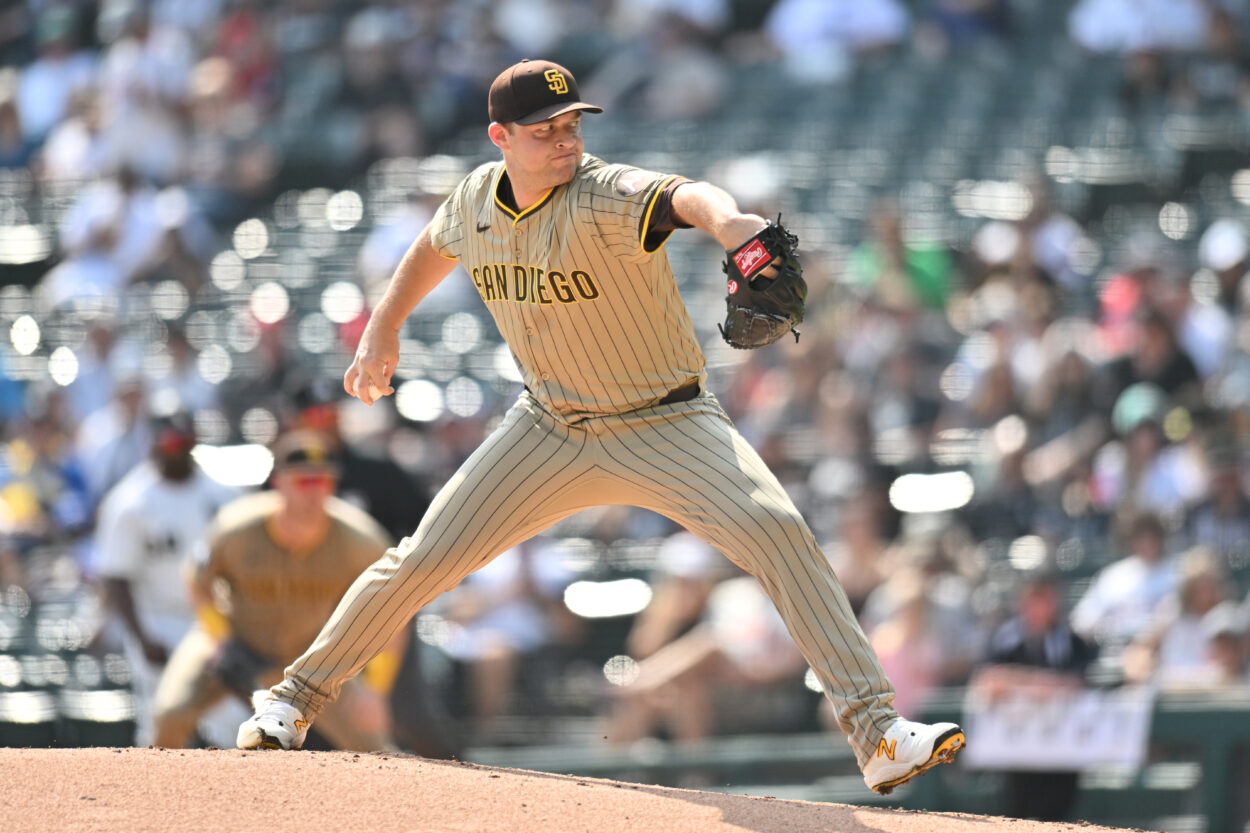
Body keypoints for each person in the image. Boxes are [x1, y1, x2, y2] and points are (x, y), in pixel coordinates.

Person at [238, 58, 964, 796]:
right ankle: (292, 702)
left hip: (668, 421)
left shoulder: (603, 194)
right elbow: (434, 243)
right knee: (422, 559)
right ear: (500, 137)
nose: (565, 141)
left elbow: (686, 196)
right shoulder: (474, 201)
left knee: (778, 530)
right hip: (548, 425)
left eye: (573, 123)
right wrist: (383, 328)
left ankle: (877, 732)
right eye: (545, 130)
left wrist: (737, 227)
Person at [153, 430, 397, 751]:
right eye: (304, 482)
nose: (315, 492)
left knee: (374, 745)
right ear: (279, 482)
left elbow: (393, 610)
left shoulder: (360, 540)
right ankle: (154, 796)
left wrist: (375, 688)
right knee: (170, 715)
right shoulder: (237, 526)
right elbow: (198, 581)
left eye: (323, 481)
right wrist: (220, 638)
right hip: (239, 643)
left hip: (313, 663)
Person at [92, 404, 239, 745]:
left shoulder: (223, 494)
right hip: (158, 618)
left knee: (230, 718)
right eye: (170, 442)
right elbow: (115, 577)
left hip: (211, 621)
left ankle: (236, 795)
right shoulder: (131, 501)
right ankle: (154, 797)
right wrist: (141, 636)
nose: (178, 448)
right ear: (154, 444)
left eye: (183, 441)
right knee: (160, 721)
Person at [970, 568, 1097, 821]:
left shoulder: (1071, 641)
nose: (1039, 606)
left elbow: (1078, 684)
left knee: (1060, 815)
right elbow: (987, 681)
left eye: (1046, 597)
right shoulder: (1004, 639)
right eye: (1033, 597)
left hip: (1061, 749)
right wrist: (1043, 685)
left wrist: (1017, 683)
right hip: (1015, 751)